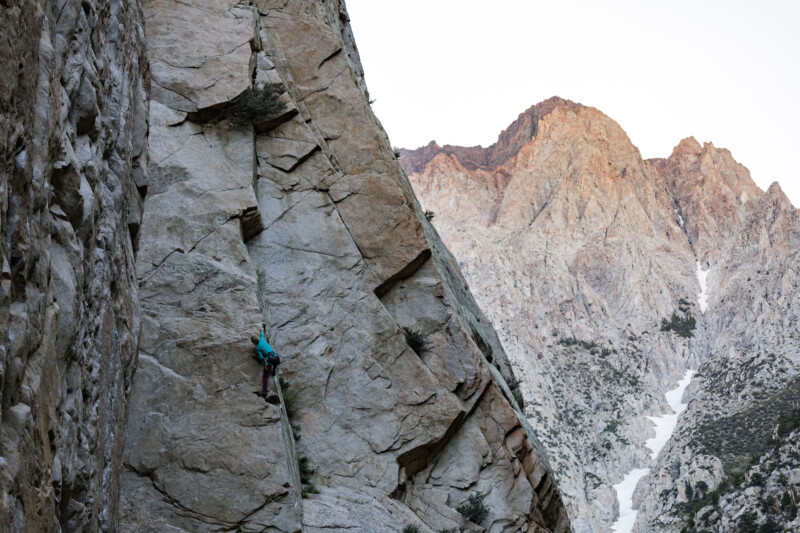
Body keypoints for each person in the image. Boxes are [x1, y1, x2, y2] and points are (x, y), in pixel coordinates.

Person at [251, 323, 280, 398]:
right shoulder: (262, 340)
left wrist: (255, 356)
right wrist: (262, 330)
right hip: (276, 357)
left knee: (265, 376)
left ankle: (264, 392)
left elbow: (261, 357)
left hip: (269, 360)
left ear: (254, 343)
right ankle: (274, 370)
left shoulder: (257, 348)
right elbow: (262, 334)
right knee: (275, 363)